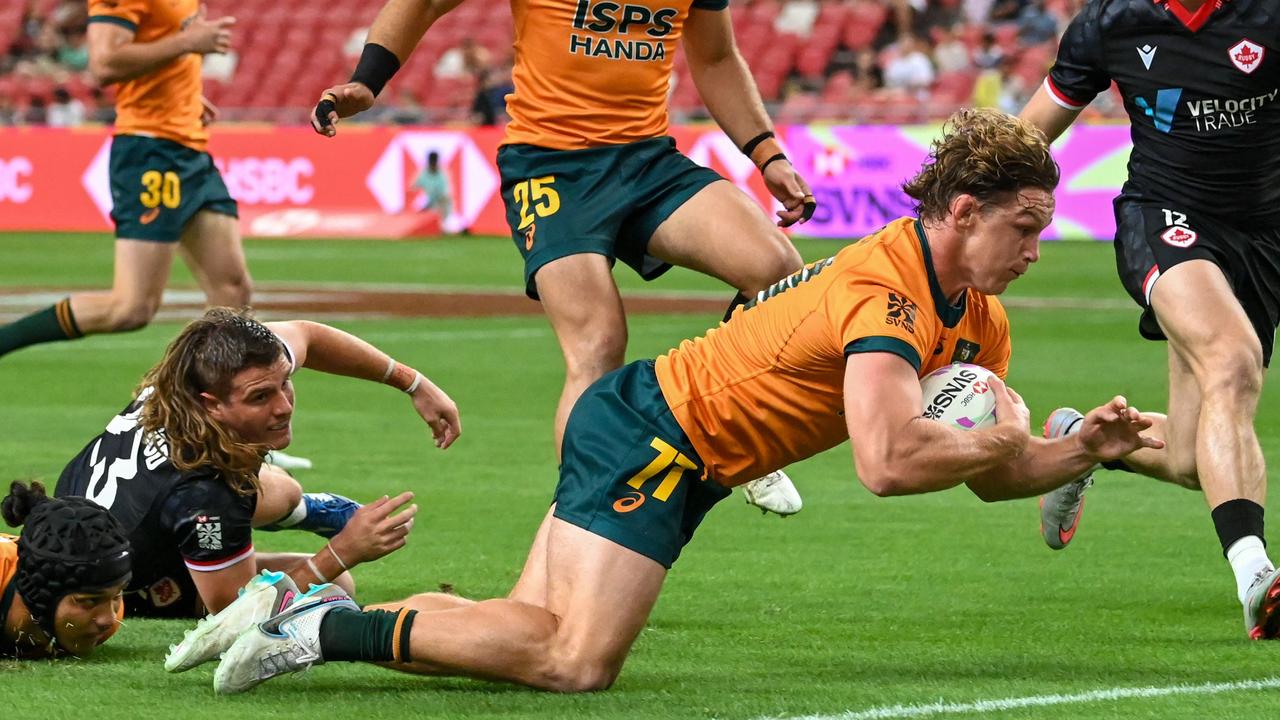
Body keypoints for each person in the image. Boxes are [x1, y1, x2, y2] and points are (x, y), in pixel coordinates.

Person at [202, 110, 1161, 695]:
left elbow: (991, 481)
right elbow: (887, 463)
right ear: (961, 213)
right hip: (651, 433)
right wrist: (1002, 435)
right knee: (574, 661)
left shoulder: (978, 319)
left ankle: (305, 612)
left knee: (526, 632)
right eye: (1024, 227)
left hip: (676, 444)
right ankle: (319, 629)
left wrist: (1080, 451)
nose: (1037, 248)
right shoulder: (887, 295)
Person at [307, 0, 819, 516]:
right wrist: (368, 81)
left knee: (777, 272)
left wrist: (767, 154)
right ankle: (581, 522)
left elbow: (715, 58)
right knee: (597, 343)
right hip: (550, 167)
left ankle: (725, 423)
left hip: (646, 159)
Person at [1020, 0, 1280, 638]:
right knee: (1231, 359)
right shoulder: (1109, 23)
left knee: (1192, 461)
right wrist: (952, 199)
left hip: (1263, 236)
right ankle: (1257, 578)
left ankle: (1079, 440)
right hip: (1164, 220)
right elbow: (1027, 136)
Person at [53, 308, 461, 627]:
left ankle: (295, 515)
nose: (283, 406)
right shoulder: (204, 493)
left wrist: (414, 383)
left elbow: (310, 337)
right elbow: (239, 619)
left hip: (91, 509)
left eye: (285, 383)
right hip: (133, 578)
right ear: (211, 403)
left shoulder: (188, 375)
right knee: (337, 585)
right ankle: (214, 559)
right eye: (261, 397)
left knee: (284, 492)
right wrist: (344, 549)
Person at [0, 1, 246, 359]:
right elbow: (104, 63)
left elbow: (162, 44)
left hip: (189, 148)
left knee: (232, 290)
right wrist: (186, 44)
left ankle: (207, 404)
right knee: (130, 308)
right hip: (151, 153)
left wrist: (186, 95)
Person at [1, 481, 132, 659]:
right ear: (40, 594)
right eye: (89, 601)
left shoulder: (105, 620)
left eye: (117, 595)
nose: (108, 619)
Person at [413, 151, 455, 227]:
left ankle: (443, 224)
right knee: (420, 202)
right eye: (431, 162)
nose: (432, 165)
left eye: (434, 162)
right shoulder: (423, 174)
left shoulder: (442, 175)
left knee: (445, 200)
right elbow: (412, 188)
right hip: (427, 203)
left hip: (439, 203)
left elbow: (445, 194)